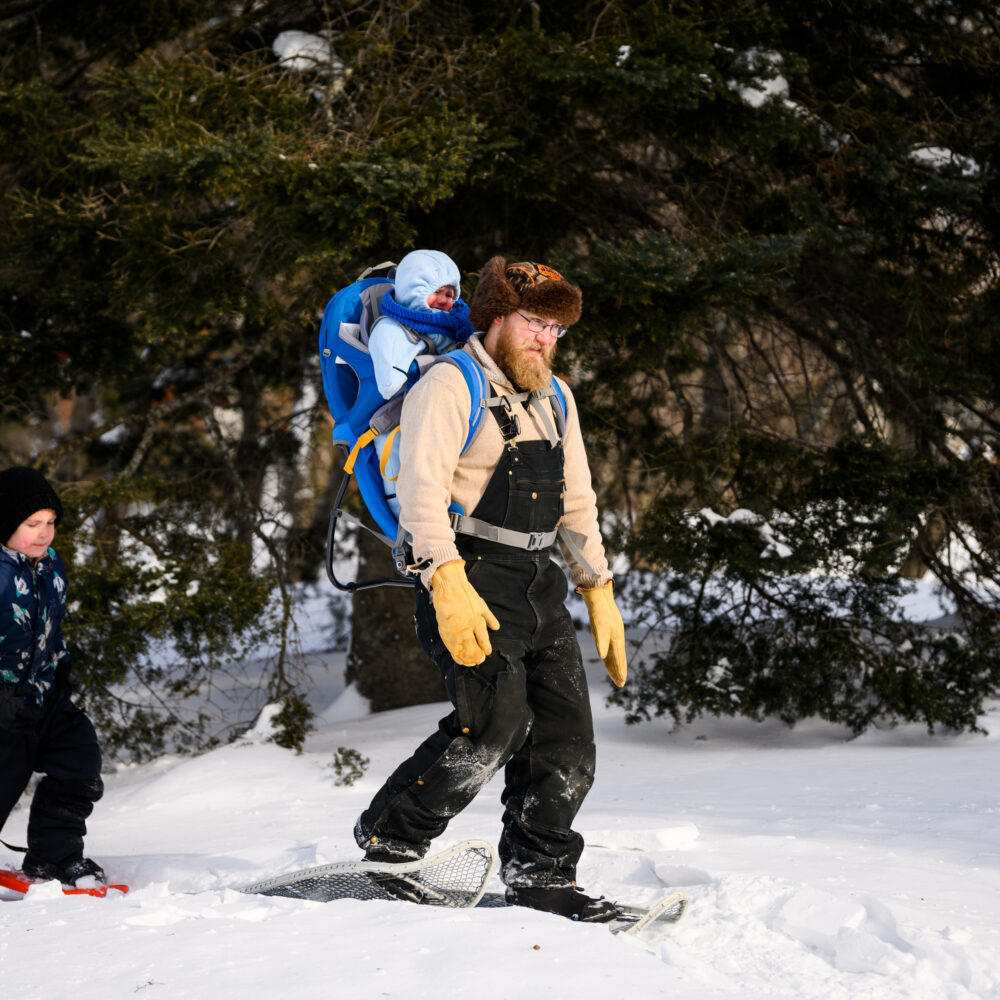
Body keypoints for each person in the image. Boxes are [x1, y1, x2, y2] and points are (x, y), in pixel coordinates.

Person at [354, 256, 629, 922]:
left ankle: (541, 874)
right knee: (494, 726)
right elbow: (421, 497)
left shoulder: (557, 398)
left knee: (567, 737)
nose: (545, 339)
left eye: (556, 328)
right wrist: (445, 583)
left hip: (538, 581)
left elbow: (579, 503)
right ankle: (392, 841)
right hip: (468, 573)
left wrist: (598, 590)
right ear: (498, 318)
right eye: (534, 323)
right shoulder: (450, 385)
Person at [0, 466, 106, 887]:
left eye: (50, 523)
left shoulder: (51, 566)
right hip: (3, 702)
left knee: (79, 759)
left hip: (44, 694)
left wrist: (60, 672)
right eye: (32, 524)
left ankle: (53, 855)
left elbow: (51, 628)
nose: (44, 533)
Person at [367, 249, 474, 513]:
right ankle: (408, 517)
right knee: (406, 467)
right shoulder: (391, 330)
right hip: (400, 420)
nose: (444, 301)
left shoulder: (458, 326)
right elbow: (390, 384)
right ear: (414, 288)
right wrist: (441, 367)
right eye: (437, 292)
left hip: (447, 416)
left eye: (450, 295)